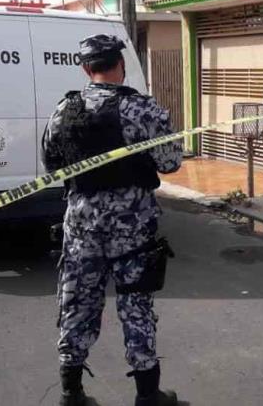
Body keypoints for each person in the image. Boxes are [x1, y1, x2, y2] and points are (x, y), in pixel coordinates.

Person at [41, 34, 182, 406]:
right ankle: (148, 395)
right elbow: (170, 163)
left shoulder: (63, 111)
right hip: (132, 226)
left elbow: (53, 164)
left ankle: (71, 393)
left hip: (82, 226)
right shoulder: (143, 110)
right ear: (120, 65)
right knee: (135, 305)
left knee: (77, 302)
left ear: (87, 69)